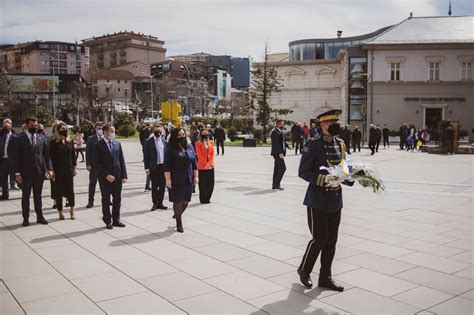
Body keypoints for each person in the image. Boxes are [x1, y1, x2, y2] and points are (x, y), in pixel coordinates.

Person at [297, 109, 353, 291]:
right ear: (322, 125)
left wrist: (352, 177)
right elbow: (303, 172)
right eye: (331, 123)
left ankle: (325, 277)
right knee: (319, 239)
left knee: (331, 241)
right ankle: (304, 270)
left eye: (337, 121)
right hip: (318, 199)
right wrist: (323, 179)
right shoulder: (313, 144)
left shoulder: (341, 143)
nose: (336, 125)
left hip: (335, 200)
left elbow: (343, 166)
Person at [13, 117, 54, 226]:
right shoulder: (19, 139)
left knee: (38, 196)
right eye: (32, 125)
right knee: (26, 196)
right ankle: (25, 218)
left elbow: (46, 156)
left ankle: (40, 216)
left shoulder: (41, 138)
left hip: (39, 172)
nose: (34, 127)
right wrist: (17, 173)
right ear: (26, 126)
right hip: (25, 173)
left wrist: (49, 169)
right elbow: (16, 158)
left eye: (36, 125)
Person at [92, 124, 127, 229]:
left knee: (117, 199)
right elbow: (96, 164)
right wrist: (106, 175)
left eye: (114, 131)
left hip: (117, 176)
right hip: (105, 178)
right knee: (106, 199)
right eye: (111, 131)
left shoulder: (117, 144)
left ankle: (116, 219)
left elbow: (121, 160)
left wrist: (124, 175)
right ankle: (107, 219)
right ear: (105, 132)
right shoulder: (98, 145)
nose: (113, 133)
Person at [164, 128, 198, 233]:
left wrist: (196, 177)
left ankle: (177, 214)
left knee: (186, 201)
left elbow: (194, 163)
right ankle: (179, 223)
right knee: (178, 201)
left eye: (183, 134)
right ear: (175, 136)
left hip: (189, 178)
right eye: (179, 135)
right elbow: (167, 166)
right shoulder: (170, 148)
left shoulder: (190, 146)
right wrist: (168, 179)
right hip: (176, 179)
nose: (182, 136)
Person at [49, 122, 77, 220]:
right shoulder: (53, 142)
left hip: (69, 169)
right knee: (59, 191)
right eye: (62, 129)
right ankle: (60, 211)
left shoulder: (70, 141)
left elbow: (73, 155)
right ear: (57, 130)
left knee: (70, 190)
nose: (64, 130)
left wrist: (74, 167)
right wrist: (51, 170)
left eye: (65, 128)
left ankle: (72, 210)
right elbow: (50, 157)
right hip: (58, 170)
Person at [144, 124, 168, 211]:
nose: (158, 132)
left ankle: (160, 203)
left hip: (163, 167)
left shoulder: (164, 141)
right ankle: (154, 203)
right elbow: (146, 156)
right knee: (154, 186)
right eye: (156, 131)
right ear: (153, 131)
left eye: (159, 131)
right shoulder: (148, 141)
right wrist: (147, 168)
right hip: (154, 167)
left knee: (162, 186)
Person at [85, 122, 104, 208]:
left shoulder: (105, 138)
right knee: (92, 184)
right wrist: (88, 163)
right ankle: (90, 201)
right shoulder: (91, 138)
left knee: (104, 184)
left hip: (104, 166)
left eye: (101, 128)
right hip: (94, 166)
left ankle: (106, 199)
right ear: (95, 129)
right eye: (98, 128)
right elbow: (88, 152)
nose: (100, 130)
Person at [195, 128, 215, 204]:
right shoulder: (197, 143)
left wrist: (209, 163)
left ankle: (208, 198)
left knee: (211, 184)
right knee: (203, 184)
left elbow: (212, 153)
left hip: (210, 166)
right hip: (202, 167)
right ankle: (203, 199)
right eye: (203, 133)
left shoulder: (211, 142)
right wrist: (205, 164)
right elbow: (199, 155)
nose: (205, 134)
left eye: (206, 133)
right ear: (201, 134)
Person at [0, 121, 17, 200]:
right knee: (3, 178)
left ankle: (25, 190)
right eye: (4, 127)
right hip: (3, 160)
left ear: (10, 128)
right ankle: (5, 194)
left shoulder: (14, 137)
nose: (5, 129)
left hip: (11, 161)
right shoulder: (2, 137)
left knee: (15, 177)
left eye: (7, 127)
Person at [271, 120, 290, 190]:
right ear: (279, 124)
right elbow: (275, 144)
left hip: (278, 153)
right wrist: (280, 153)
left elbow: (282, 141)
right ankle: (277, 184)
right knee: (283, 168)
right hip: (277, 153)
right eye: (282, 123)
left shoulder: (279, 131)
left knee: (277, 169)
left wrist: (287, 146)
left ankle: (274, 184)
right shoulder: (274, 132)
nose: (283, 124)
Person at [139, 124, 152, 192]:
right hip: (144, 144)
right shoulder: (143, 130)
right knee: (150, 173)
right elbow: (140, 137)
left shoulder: (148, 131)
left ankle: (148, 186)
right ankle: (147, 186)